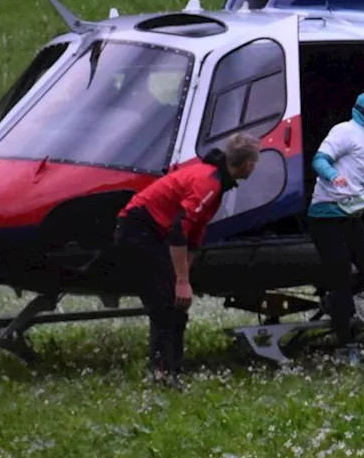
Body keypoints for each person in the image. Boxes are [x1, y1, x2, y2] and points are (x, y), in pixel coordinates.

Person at [108, 132, 260, 386]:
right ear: (247, 165)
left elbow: (194, 234)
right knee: (166, 305)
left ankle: (172, 370)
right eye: (255, 162)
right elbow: (178, 229)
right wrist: (180, 280)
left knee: (177, 306)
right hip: (138, 231)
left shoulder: (217, 183)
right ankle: (161, 373)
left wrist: (184, 275)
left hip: (153, 234)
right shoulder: (209, 184)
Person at [307, 90, 364, 364]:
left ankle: (334, 300)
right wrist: (333, 176)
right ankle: (347, 345)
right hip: (326, 215)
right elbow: (319, 160)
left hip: (351, 215)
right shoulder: (344, 131)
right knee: (341, 275)